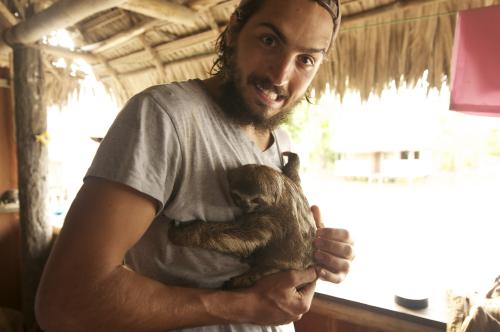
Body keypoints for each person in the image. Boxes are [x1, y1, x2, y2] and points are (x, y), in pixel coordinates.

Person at [35, 0, 355, 331]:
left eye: (306, 59)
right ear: (233, 31)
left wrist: (322, 255)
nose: (280, 75)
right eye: (270, 40)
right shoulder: (165, 118)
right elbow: (65, 303)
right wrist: (243, 305)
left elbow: (277, 255)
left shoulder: (282, 144)